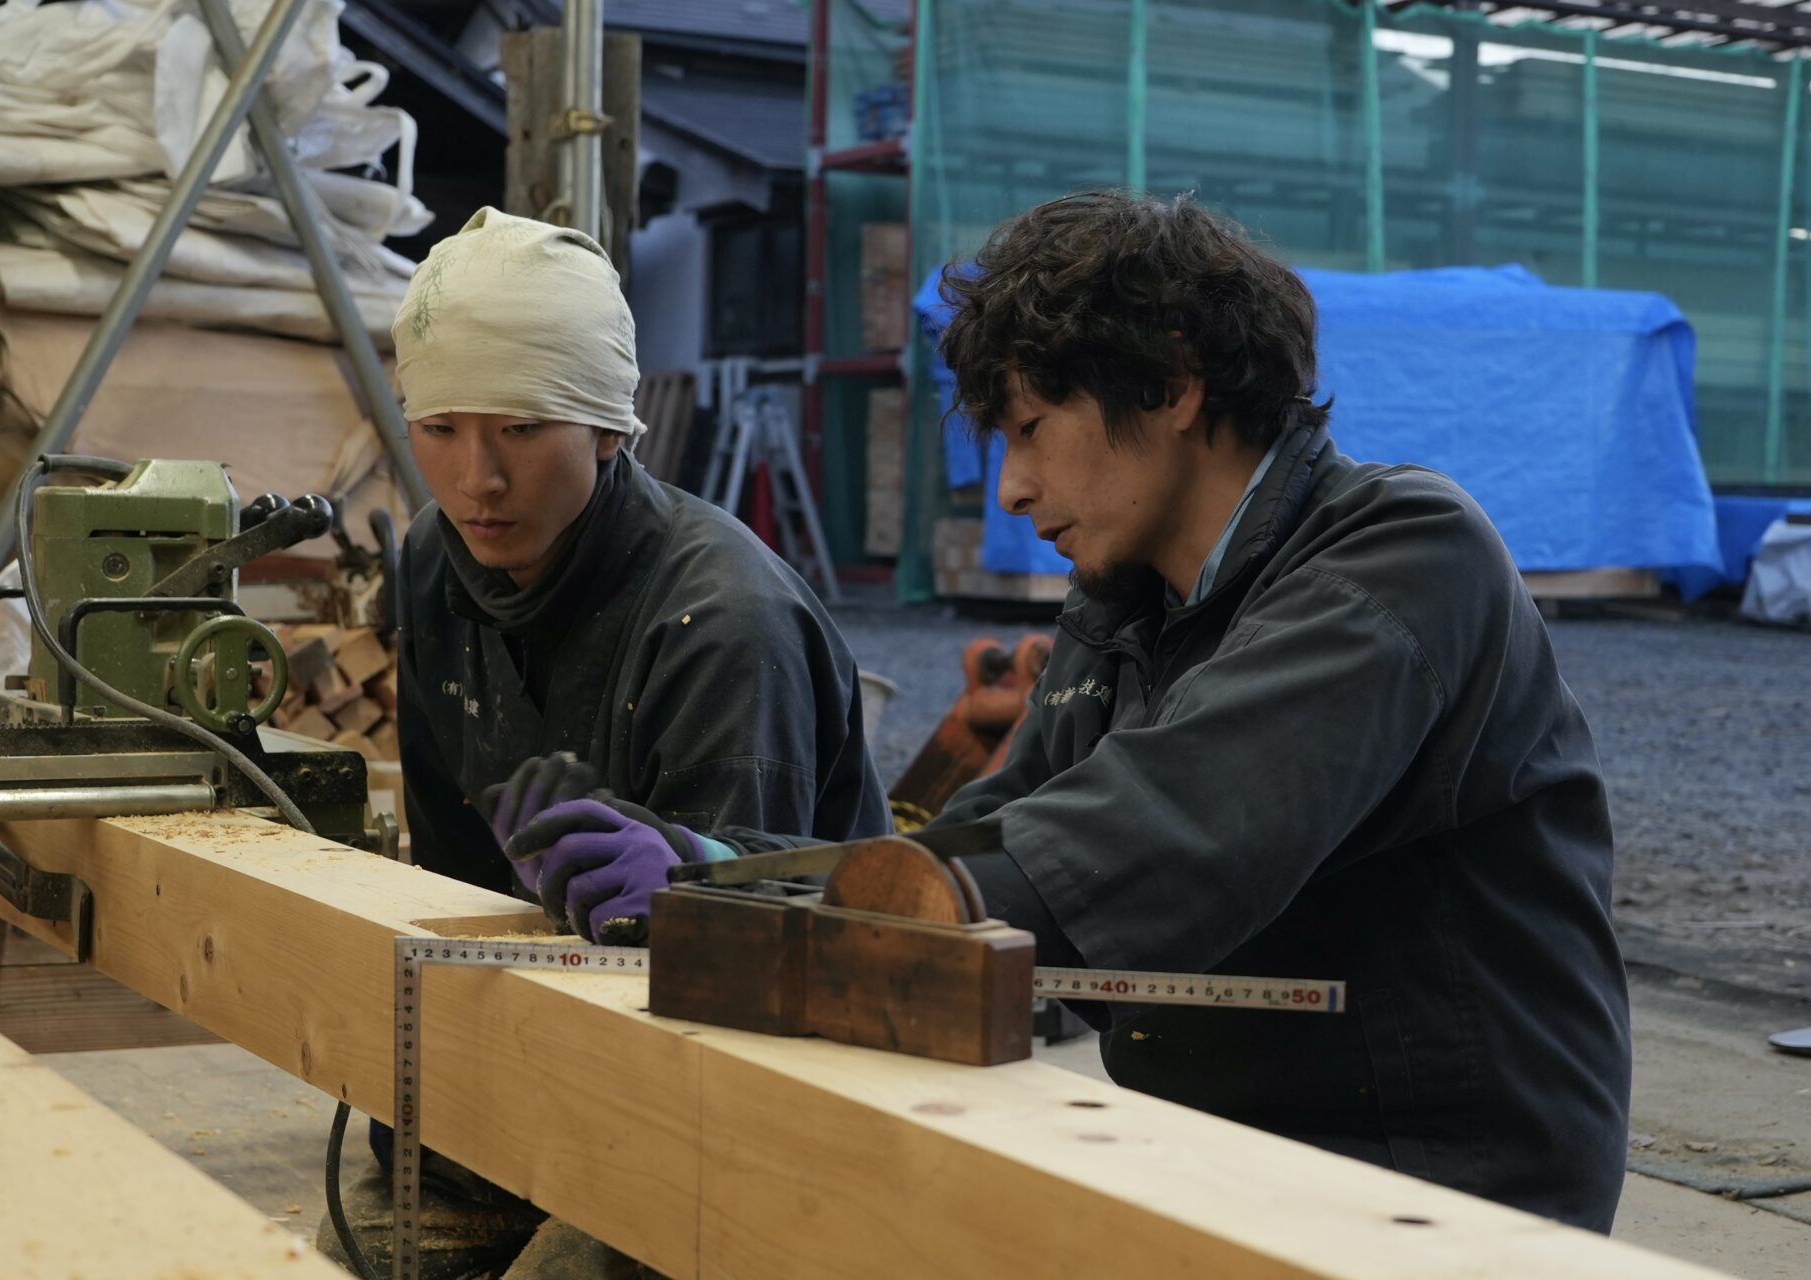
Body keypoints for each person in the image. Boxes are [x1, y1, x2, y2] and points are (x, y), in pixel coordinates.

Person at [501, 191, 1633, 1233]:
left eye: (1033, 426)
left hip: (1442, 1185)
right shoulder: (1124, 602)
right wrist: (716, 876)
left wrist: (811, 921)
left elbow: (1166, 838)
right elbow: (992, 835)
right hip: (1217, 1153)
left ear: (1174, 382)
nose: (1011, 487)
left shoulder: (1401, 556)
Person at [319, 207, 888, 1279]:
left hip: (737, 1080)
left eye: (523, 429)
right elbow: (452, 883)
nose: (477, 478)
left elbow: (750, 976)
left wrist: (682, 891)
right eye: (439, 427)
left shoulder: (725, 624)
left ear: (611, 429)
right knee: (374, 1245)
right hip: (550, 1031)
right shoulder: (435, 564)